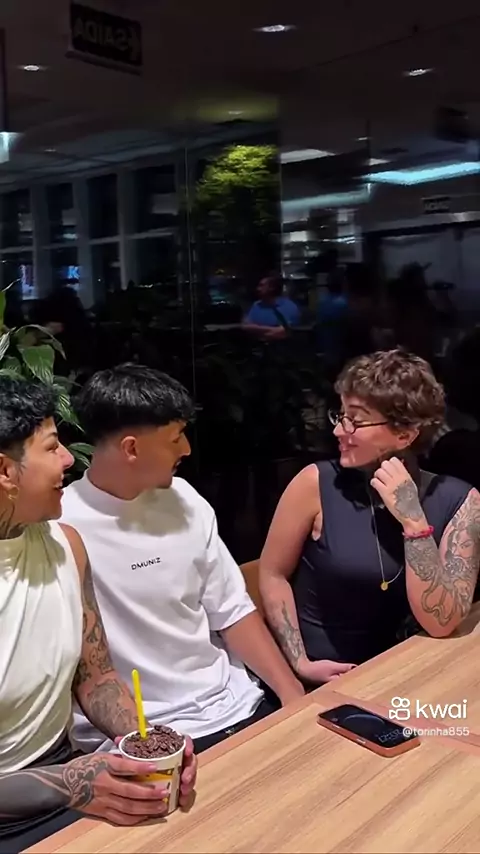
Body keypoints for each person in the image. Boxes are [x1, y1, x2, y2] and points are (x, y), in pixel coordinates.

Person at [60, 364, 304, 756]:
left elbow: (231, 611)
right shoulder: (61, 526)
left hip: (237, 704)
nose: (187, 449)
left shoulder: (185, 498)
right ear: (131, 449)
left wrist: (293, 695)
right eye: (175, 438)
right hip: (143, 735)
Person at [0, 377, 197, 854]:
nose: (70, 459)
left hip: (67, 777)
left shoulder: (64, 546)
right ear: (5, 471)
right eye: (52, 447)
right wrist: (70, 783)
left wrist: (146, 746)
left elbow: (97, 677)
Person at [259, 349, 480, 685]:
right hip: (323, 680)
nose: (339, 430)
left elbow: (442, 622)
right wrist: (300, 663)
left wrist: (414, 522)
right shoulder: (314, 483)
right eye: (341, 415)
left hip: (407, 674)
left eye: (356, 420)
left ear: (405, 434)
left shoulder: (461, 500)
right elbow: (272, 574)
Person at [242, 274, 300, 340]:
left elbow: (285, 331)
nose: (258, 289)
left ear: (272, 288)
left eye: (261, 286)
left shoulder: (288, 306)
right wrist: (270, 330)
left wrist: (257, 329)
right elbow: (245, 326)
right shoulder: (256, 305)